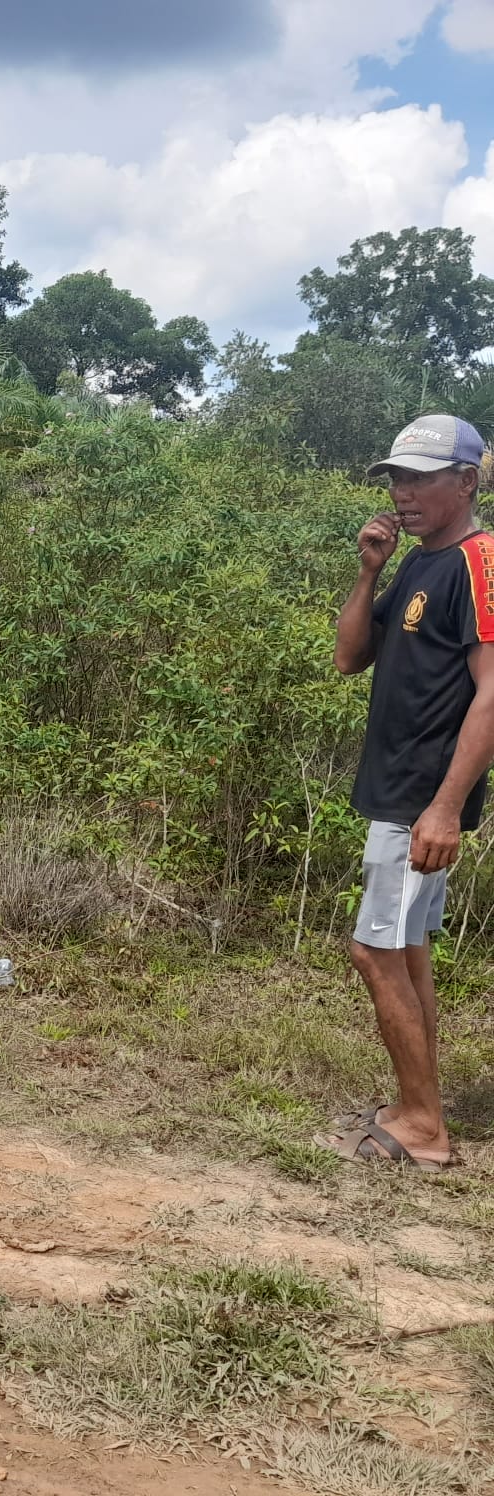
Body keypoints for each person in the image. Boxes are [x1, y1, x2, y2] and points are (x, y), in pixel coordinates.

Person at [320, 414, 494, 1171]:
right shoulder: (422, 562)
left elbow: (493, 693)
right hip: (403, 798)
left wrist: (445, 807)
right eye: (397, 478)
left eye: (422, 478)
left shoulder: (479, 563)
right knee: (406, 949)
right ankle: (418, 1108)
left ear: (468, 481)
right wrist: (369, 571)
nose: (403, 492)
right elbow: (349, 657)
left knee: (375, 952)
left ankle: (424, 1127)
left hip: (421, 802)